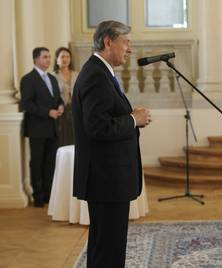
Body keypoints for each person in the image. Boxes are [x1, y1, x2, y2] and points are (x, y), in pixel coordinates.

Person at [72, 20, 151, 267]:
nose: (129, 49)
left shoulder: (100, 71)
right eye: (126, 42)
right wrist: (132, 120)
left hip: (107, 178)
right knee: (109, 250)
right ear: (108, 42)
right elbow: (97, 128)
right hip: (106, 179)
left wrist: (129, 117)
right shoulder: (96, 76)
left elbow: (104, 118)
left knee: (104, 246)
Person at [20, 47, 64, 207]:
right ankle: (38, 196)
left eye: (49, 57)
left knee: (50, 162)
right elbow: (27, 104)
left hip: (53, 127)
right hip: (37, 128)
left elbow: (58, 98)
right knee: (37, 162)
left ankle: (48, 194)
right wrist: (48, 112)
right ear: (36, 60)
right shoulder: (28, 79)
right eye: (45, 57)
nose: (48, 60)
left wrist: (60, 106)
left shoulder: (52, 78)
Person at [52, 47, 78, 145]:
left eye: (67, 56)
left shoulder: (77, 74)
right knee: (63, 140)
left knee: (76, 139)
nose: (65, 59)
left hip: (76, 110)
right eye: (62, 57)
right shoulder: (53, 76)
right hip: (61, 112)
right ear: (57, 59)